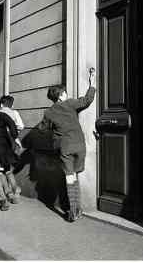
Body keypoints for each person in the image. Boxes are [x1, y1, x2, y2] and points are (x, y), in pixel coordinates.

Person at [38, 69, 96, 222]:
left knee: (69, 177)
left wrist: (50, 127)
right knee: (76, 176)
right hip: (79, 145)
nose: (66, 94)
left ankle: (74, 211)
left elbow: (42, 129)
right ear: (61, 95)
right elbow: (87, 100)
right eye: (65, 92)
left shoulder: (49, 112)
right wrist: (92, 84)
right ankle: (78, 208)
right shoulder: (70, 104)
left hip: (64, 147)